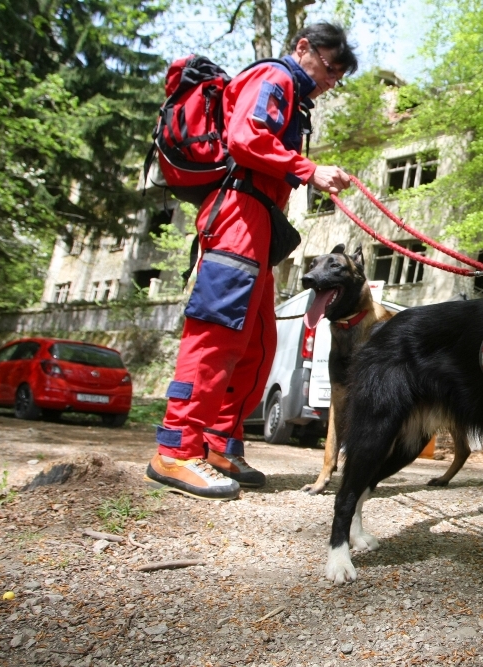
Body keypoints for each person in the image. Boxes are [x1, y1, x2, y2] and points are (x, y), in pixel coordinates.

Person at [144, 22, 356, 500]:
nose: (330, 81)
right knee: (217, 334)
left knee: (258, 342)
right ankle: (176, 450)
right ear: (303, 47)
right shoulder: (274, 77)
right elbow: (245, 138)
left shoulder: (294, 96)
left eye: (338, 77)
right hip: (237, 215)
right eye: (329, 68)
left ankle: (218, 444)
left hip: (259, 221)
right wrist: (309, 169)